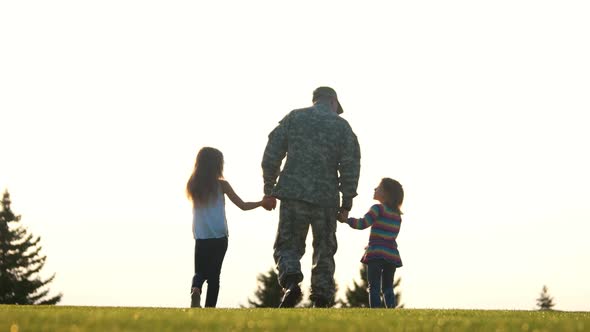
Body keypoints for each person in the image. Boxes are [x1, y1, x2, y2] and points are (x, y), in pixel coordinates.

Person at [261, 86, 361, 308]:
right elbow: (350, 165)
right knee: (324, 251)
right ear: (334, 102)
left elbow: (272, 152)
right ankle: (321, 298)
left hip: (293, 194)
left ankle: (290, 284)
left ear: (315, 100)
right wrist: (347, 202)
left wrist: (269, 188)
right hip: (326, 199)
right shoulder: (342, 126)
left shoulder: (294, 117)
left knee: (288, 246)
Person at [186, 147, 272, 308]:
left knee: (200, 272)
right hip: (219, 237)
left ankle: (196, 288)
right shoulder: (222, 185)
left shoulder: (192, 185)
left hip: (201, 236)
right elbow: (243, 206)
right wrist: (262, 203)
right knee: (214, 276)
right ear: (217, 165)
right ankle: (209, 309)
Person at [337, 178, 404, 308]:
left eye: (378, 187)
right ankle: (390, 309)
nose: (374, 189)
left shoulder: (377, 209)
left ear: (386, 193)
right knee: (388, 287)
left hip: (376, 253)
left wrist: (346, 220)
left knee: (374, 286)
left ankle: (376, 311)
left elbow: (363, 223)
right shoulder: (397, 216)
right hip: (392, 255)